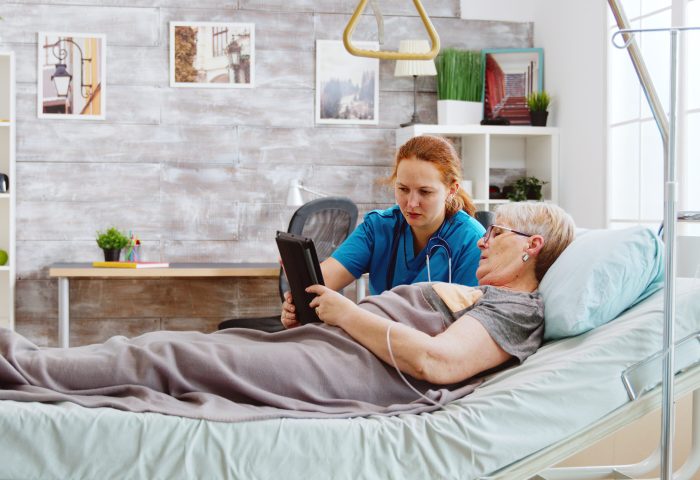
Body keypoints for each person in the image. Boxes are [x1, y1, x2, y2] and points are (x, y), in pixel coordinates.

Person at [0, 203, 574, 421]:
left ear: (530, 246)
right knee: (164, 348)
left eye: (496, 231)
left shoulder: (516, 307)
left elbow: (437, 362)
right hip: (331, 349)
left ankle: (15, 363)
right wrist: (326, 314)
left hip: (350, 369)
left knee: (166, 356)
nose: (481, 239)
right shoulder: (483, 293)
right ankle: (19, 359)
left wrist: (345, 316)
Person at [282, 135, 486, 328]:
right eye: (403, 189)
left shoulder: (472, 240)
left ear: (451, 189)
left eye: (425, 192)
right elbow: (321, 283)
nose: (411, 203)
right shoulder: (379, 227)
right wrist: (298, 304)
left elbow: (465, 329)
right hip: (375, 342)